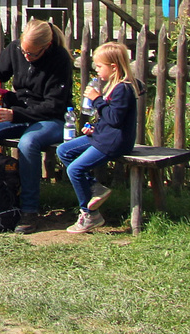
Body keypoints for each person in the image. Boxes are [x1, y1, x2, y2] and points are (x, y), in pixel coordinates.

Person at [0, 18, 72, 234]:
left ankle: (29, 209)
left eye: (33, 54)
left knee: (28, 143)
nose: (27, 57)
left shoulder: (60, 59)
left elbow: (54, 105)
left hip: (50, 119)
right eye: (24, 51)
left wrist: (14, 114)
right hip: (18, 113)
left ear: (46, 47)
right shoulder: (15, 49)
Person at [56, 41, 140, 234]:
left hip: (114, 142)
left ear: (114, 67)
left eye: (100, 66)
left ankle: (89, 215)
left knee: (76, 169)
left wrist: (97, 99)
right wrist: (94, 128)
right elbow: (108, 118)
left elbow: (115, 118)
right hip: (103, 136)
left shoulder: (123, 89)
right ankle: (95, 187)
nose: (97, 70)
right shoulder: (112, 85)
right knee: (64, 150)